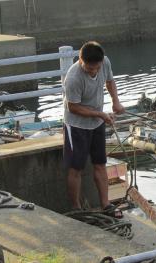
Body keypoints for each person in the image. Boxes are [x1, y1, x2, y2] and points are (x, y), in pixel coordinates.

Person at [63, 41, 125, 217]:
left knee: (100, 163)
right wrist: (99, 114)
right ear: (81, 61)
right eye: (90, 69)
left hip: (97, 123)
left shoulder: (104, 62)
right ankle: (76, 208)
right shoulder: (73, 78)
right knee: (76, 168)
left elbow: (110, 81)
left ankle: (105, 204)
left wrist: (115, 101)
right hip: (76, 125)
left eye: (96, 68)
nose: (94, 72)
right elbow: (73, 107)